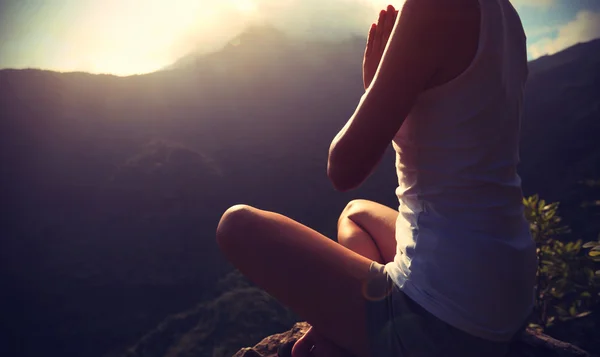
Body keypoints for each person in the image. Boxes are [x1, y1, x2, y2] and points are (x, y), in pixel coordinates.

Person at [216, 0, 537, 356]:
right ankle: (352, 324)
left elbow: (344, 168)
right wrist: (388, 86)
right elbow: (450, 136)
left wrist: (372, 91)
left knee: (237, 225)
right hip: (511, 287)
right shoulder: (508, 17)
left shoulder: (432, 7)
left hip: (450, 316)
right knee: (356, 214)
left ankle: (356, 333)